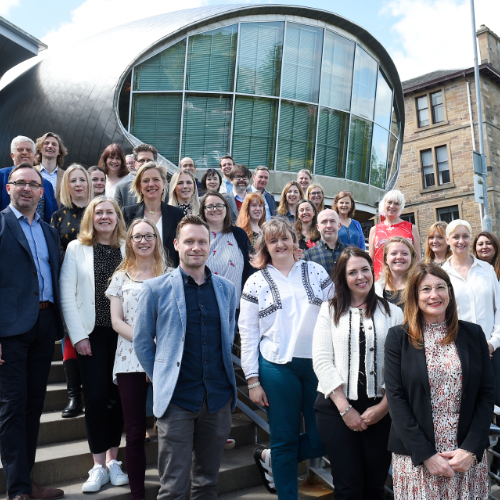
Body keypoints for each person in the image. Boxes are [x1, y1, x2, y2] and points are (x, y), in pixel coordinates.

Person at [134, 215, 238, 500]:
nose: (196, 247)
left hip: (217, 401)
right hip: (177, 401)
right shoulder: (155, 289)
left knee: (207, 484)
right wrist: (162, 377)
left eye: (202, 241)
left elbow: (228, 336)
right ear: (176, 244)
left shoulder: (227, 290)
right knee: (173, 488)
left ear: (210, 245)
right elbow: (142, 342)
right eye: (189, 241)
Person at [239, 217, 332, 499]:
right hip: (277, 367)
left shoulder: (314, 271)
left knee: (322, 439)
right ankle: (284, 483)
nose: (280, 244)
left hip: (318, 365)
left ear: (295, 240)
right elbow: (248, 333)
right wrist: (253, 380)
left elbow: (337, 313)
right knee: (284, 438)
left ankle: (274, 457)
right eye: (273, 240)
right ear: (265, 246)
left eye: (284, 238)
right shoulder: (256, 281)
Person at [385, 262, 494, 499]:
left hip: (465, 457)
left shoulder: (473, 334)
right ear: (414, 296)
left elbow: (486, 395)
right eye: (425, 289)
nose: (434, 295)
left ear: (450, 293)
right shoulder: (397, 338)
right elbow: (395, 398)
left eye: (440, 287)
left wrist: (471, 449)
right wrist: (426, 455)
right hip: (417, 458)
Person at [313, 247, 403, 500]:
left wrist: (384, 407)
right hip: (335, 411)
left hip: (381, 412)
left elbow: (400, 367)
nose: (361, 276)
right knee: (348, 487)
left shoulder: (393, 313)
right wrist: (345, 409)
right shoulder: (329, 310)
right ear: (343, 277)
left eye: (365, 269)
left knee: (375, 487)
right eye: (352, 272)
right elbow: (322, 361)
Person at [0, 163, 65, 500]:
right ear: (9, 187)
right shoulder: (1, 224)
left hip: (44, 325)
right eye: (20, 183)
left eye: (33, 184)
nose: (27, 188)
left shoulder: (49, 231)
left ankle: (27, 479)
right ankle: (19, 490)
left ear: (42, 192)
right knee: (12, 406)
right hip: (9, 331)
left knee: (33, 405)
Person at [60, 196, 129, 493]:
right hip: (92, 336)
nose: (104, 217)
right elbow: (67, 295)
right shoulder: (77, 248)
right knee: (98, 399)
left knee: (119, 399)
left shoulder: (129, 247)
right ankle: (97, 465)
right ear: (91, 217)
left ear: (117, 217)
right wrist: (78, 337)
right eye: (98, 212)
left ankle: (114, 461)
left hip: (124, 335)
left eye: (109, 212)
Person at [106, 219, 169, 500]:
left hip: (165, 359)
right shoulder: (120, 277)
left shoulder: (170, 275)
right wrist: (147, 346)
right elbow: (117, 322)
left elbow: (174, 320)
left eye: (148, 235)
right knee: (133, 431)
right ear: (129, 242)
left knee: (172, 429)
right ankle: (138, 494)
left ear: (156, 239)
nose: (143, 241)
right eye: (137, 236)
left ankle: (172, 488)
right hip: (129, 359)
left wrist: (156, 354)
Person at [441, 219, 500, 476]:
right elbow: (443, 315)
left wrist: (493, 342)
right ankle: (472, 470)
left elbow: (499, 310)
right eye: (456, 237)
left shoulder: (485, 269)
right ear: (447, 240)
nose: (461, 241)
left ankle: (494, 468)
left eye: (466, 236)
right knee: (467, 411)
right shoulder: (442, 273)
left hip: (493, 351)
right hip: (459, 354)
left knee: (495, 409)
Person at [51, 164, 94, 418]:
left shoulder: (99, 211)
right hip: (68, 284)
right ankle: (73, 397)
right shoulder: (58, 216)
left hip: (96, 285)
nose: (78, 184)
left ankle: (93, 393)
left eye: (82, 179)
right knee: (71, 338)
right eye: (72, 180)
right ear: (66, 186)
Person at [122, 162, 184, 267]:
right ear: (139, 186)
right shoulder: (127, 214)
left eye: (156, 179)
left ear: (164, 183)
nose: (151, 184)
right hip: (137, 276)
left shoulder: (177, 214)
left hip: (169, 277)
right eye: (146, 181)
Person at [199, 192, 254, 308]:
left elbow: (252, 265)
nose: (215, 209)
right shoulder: (197, 235)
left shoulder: (239, 234)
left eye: (219, 205)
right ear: (203, 210)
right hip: (205, 306)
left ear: (226, 208)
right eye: (209, 206)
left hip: (235, 306)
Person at [0, 136, 58, 223]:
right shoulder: (1, 176)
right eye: (20, 149)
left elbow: (54, 215)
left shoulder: (46, 184)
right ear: (12, 156)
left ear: (34, 156)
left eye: (28, 150)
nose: (24, 153)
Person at [369, 189, 420, 280]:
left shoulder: (411, 228)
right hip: (380, 279)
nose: (392, 206)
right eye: (389, 202)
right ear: (384, 204)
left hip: (406, 279)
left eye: (396, 203)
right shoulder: (374, 230)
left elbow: (417, 259)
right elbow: (370, 259)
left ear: (401, 207)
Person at [375, 237, 417, 310]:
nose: (399, 257)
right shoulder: (376, 289)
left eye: (404, 253)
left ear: (412, 258)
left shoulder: (420, 285)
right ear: (385, 259)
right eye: (394, 253)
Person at [303, 209, 345, 279]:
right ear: (318, 227)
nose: (328, 226)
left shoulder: (350, 253)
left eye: (332, 221)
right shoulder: (308, 256)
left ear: (339, 226)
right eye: (324, 222)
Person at [115, 144, 158, 208]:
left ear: (156, 163)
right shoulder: (122, 190)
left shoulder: (167, 189)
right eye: (141, 160)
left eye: (149, 161)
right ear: (135, 164)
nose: (145, 164)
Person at [35, 132, 68, 207]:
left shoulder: (66, 176)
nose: (50, 146)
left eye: (54, 144)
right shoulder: (30, 172)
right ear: (40, 149)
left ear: (59, 152)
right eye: (46, 143)